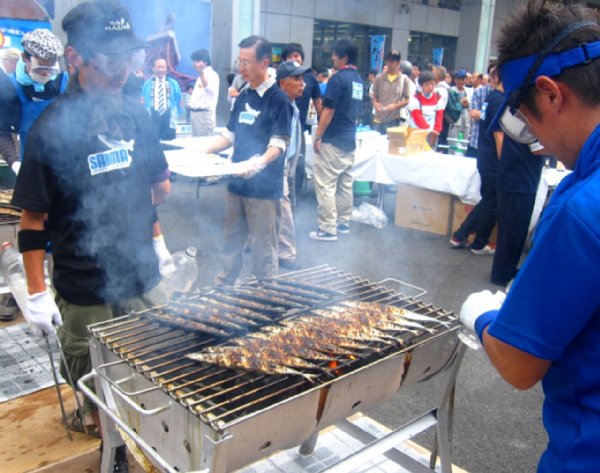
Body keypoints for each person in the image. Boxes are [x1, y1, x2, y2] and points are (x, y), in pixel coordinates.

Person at [11, 3, 171, 471]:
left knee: (156, 364)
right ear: (76, 57)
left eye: (129, 58)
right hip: (84, 285)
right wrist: (38, 294)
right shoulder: (50, 129)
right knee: (96, 383)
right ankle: (113, 453)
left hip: (141, 275)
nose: (122, 70)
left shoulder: (137, 116)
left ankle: (156, 443)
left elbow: (151, 191)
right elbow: (33, 221)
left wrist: (159, 241)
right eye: (109, 59)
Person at [459, 2, 600, 471]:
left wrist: (482, 316)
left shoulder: (582, 208)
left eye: (526, 119)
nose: (537, 141)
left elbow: (520, 365)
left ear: (551, 94)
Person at [200, 35, 291, 285]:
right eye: (239, 61)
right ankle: (223, 287)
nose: (241, 68)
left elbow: (279, 144)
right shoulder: (243, 95)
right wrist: (203, 152)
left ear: (264, 63)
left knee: (263, 250)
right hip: (237, 184)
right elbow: (229, 135)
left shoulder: (278, 99)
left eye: (247, 62)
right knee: (231, 242)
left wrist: (258, 163)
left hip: (263, 189)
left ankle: (265, 293)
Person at [310, 39, 363, 242]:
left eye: (334, 54)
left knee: (325, 184)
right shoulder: (358, 79)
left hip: (333, 139)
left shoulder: (337, 79)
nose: (332, 57)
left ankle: (327, 228)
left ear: (344, 57)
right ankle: (342, 222)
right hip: (350, 139)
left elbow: (328, 110)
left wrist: (318, 135)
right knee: (344, 183)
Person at [450, 66, 502, 255]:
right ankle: (468, 236)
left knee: (490, 200)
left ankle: (472, 238)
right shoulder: (496, 98)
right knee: (490, 201)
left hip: (486, 154)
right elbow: (498, 134)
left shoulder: (493, 97)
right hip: (490, 155)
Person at [5, 29, 68, 166]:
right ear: (24, 58)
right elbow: (2, 130)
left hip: (65, 161)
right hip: (30, 162)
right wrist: (14, 162)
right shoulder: (10, 87)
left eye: (51, 70)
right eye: (40, 69)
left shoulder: (65, 81)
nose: (46, 74)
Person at [491, 136, 544, 285]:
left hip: (523, 180)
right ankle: (502, 275)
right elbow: (539, 148)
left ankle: (508, 270)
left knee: (517, 231)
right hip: (517, 179)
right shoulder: (519, 120)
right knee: (511, 231)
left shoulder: (525, 121)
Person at [276, 60, 307, 271]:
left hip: (284, 163)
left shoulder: (292, 104)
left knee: (274, 205)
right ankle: (285, 253)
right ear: (282, 83)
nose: (302, 83)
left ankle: (254, 242)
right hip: (274, 164)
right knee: (282, 206)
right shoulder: (281, 104)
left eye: (302, 78)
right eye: (297, 79)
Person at [141, 57, 182, 140]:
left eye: (163, 67)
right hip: (153, 116)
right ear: (153, 68)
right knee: (152, 144)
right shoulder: (147, 84)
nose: (161, 69)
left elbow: (178, 99)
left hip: (168, 116)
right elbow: (143, 100)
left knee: (170, 144)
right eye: (159, 67)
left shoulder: (173, 83)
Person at [370, 50, 410, 134]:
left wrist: (395, 106)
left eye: (392, 61)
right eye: (388, 61)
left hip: (393, 119)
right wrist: (376, 104)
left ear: (398, 62)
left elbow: (407, 100)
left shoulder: (404, 79)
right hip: (378, 118)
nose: (389, 63)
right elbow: (374, 95)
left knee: (391, 144)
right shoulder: (379, 78)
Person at [188, 49, 219, 136]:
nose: (194, 64)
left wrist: (201, 73)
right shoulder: (200, 76)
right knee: (196, 144)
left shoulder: (212, 75)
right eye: (193, 61)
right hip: (195, 114)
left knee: (205, 144)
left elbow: (209, 88)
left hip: (204, 114)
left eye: (197, 61)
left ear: (205, 62)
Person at [407, 70, 443, 139]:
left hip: (433, 134)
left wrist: (436, 132)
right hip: (417, 133)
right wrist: (430, 131)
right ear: (421, 85)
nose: (430, 87)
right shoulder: (415, 98)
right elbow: (418, 118)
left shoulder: (438, 97)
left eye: (432, 83)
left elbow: (439, 116)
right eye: (427, 84)